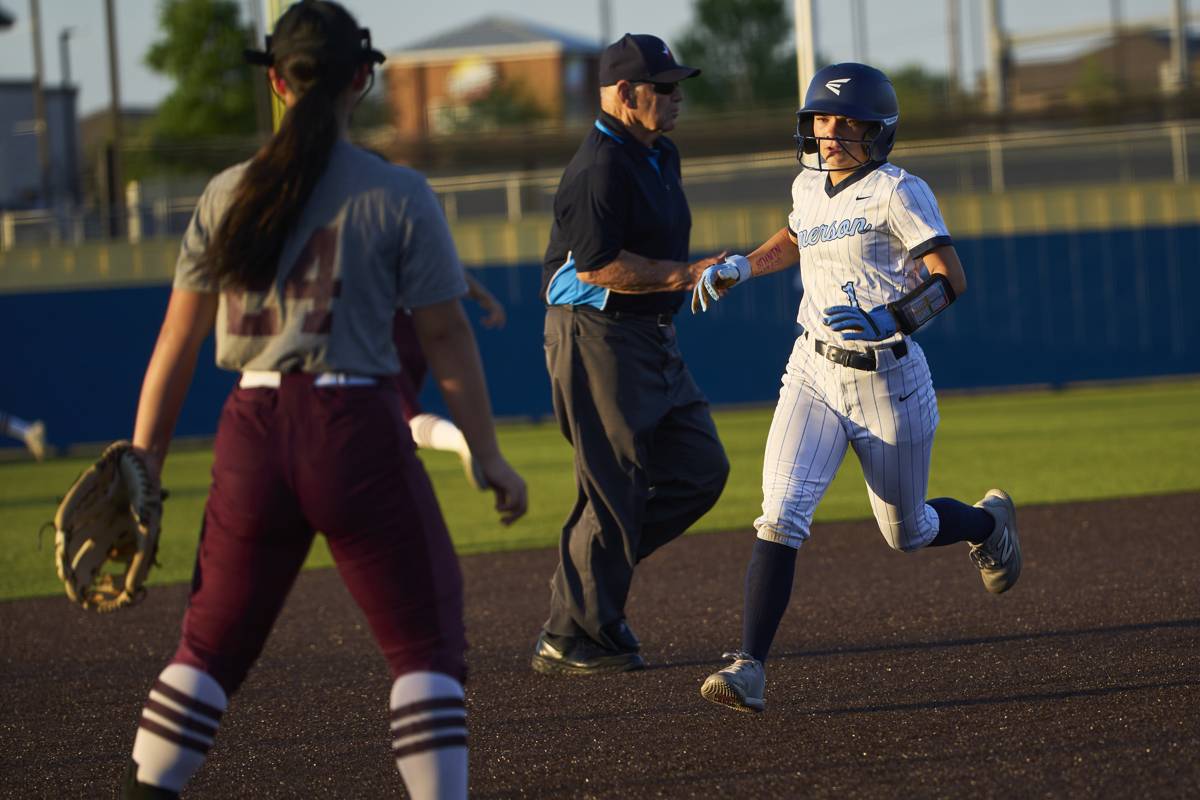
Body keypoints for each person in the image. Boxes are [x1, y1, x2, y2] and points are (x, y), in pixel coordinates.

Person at [117, 3, 527, 798]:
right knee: (425, 648)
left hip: (250, 431)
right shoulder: (397, 191)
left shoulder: (228, 190)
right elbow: (444, 339)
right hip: (354, 430)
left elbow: (174, 345)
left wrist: (145, 465)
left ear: (275, 81)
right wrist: (487, 454)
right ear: (361, 80)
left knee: (206, 652)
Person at [691, 63, 1021, 713]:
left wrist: (890, 317)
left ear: (879, 131)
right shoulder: (808, 184)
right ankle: (747, 665)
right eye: (822, 118)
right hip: (811, 369)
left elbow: (949, 278)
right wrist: (740, 265)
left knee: (910, 531)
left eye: (848, 121)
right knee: (780, 513)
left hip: (888, 379)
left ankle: (988, 522)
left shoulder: (898, 192)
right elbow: (794, 236)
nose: (832, 131)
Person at [531, 33, 731, 676]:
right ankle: (576, 632)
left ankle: (581, 598)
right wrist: (685, 273)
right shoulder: (598, 167)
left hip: (649, 335)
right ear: (625, 94)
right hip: (595, 335)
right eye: (665, 87)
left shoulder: (659, 153)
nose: (677, 98)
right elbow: (597, 269)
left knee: (701, 469)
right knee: (613, 488)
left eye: (678, 86)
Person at [394, 272, 506, 490]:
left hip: (379, 329)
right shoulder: (410, 240)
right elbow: (444, 264)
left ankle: (460, 440)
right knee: (391, 423)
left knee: (405, 420)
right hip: (414, 326)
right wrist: (483, 295)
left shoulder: (356, 240)